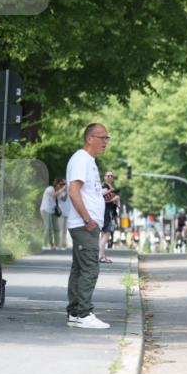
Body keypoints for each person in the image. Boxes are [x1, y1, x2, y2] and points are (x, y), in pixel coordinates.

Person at [65, 123, 111, 329]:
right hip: (85, 226)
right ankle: (84, 313)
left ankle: (75, 313)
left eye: (107, 138)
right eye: (102, 138)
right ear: (89, 138)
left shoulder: (88, 161)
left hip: (86, 224)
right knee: (90, 268)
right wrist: (87, 219)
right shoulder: (81, 159)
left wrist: (100, 196)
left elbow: (85, 191)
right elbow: (74, 191)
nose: (105, 142)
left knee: (79, 268)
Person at [98, 170, 120, 263]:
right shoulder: (104, 186)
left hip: (111, 211)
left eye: (111, 176)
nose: (110, 177)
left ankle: (102, 256)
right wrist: (114, 198)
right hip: (106, 212)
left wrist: (117, 201)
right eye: (108, 176)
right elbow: (101, 199)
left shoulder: (111, 187)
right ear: (104, 177)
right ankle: (100, 256)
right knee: (106, 234)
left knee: (104, 235)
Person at [40, 178, 66, 249]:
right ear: (56, 184)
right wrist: (63, 188)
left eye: (63, 184)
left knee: (56, 228)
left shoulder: (60, 191)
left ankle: (56, 245)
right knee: (48, 227)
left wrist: (68, 190)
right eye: (61, 184)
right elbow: (54, 195)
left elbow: (64, 199)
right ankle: (45, 245)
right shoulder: (50, 188)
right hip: (45, 210)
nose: (62, 186)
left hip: (53, 211)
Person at [56, 183, 71, 249]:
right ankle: (58, 244)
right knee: (60, 229)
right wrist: (66, 190)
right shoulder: (60, 192)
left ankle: (63, 244)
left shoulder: (69, 192)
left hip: (67, 213)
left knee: (65, 230)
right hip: (61, 213)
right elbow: (64, 199)